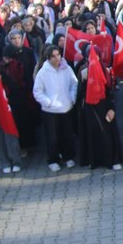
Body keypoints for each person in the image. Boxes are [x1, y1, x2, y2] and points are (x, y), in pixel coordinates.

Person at [33, 45, 78, 173]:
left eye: (58, 55)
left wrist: (71, 98)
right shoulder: (43, 72)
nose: (56, 58)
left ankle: (68, 156)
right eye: (53, 56)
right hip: (50, 111)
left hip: (66, 108)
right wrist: (48, 103)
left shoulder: (66, 68)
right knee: (52, 137)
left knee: (67, 134)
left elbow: (74, 83)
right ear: (48, 58)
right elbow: (37, 91)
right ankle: (53, 159)